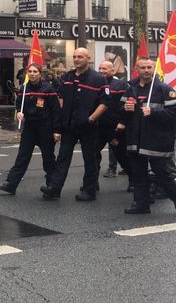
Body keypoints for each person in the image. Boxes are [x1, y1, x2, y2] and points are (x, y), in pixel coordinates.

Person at [42, 48, 108, 201]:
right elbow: (61, 99)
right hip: (68, 126)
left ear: (88, 58)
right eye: (74, 57)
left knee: (90, 159)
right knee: (62, 158)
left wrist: (91, 119)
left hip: (88, 127)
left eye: (80, 57)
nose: (77, 59)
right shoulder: (67, 77)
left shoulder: (98, 79)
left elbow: (105, 103)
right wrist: (59, 122)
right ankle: (54, 188)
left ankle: (89, 190)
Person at [118, 58, 176, 214]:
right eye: (143, 67)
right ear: (137, 69)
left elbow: (173, 115)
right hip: (135, 139)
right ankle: (141, 204)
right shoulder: (131, 88)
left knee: (163, 174)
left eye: (149, 67)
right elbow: (121, 111)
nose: (146, 70)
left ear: (154, 69)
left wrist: (154, 112)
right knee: (138, 174)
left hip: (157, 139)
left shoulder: (164, 89)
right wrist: (126, 108)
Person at [0, 63, 61, 195]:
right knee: (22, 156)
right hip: (30, 127)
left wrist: (57, 130)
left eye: (35, 71)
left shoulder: (48, 89)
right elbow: (19, 104)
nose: (32, 74)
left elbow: (56, 110)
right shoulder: (24, 88)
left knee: (48, 158)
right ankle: (11, 183)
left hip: (45, 127)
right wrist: (19, 113)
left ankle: (53, 187)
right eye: (30, 71)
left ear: (40, 73)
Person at [95, 61, 130, 184]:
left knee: (122, 156)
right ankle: (92, 185)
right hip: (98, 127)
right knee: (92, 155)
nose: (101, 71)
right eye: (100, 68)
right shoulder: (95, 84)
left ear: (113, 71)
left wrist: (122, 123)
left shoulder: (121, 85)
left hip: (115, 128)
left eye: (105, 68)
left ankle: (134, 182)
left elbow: (127, 106)